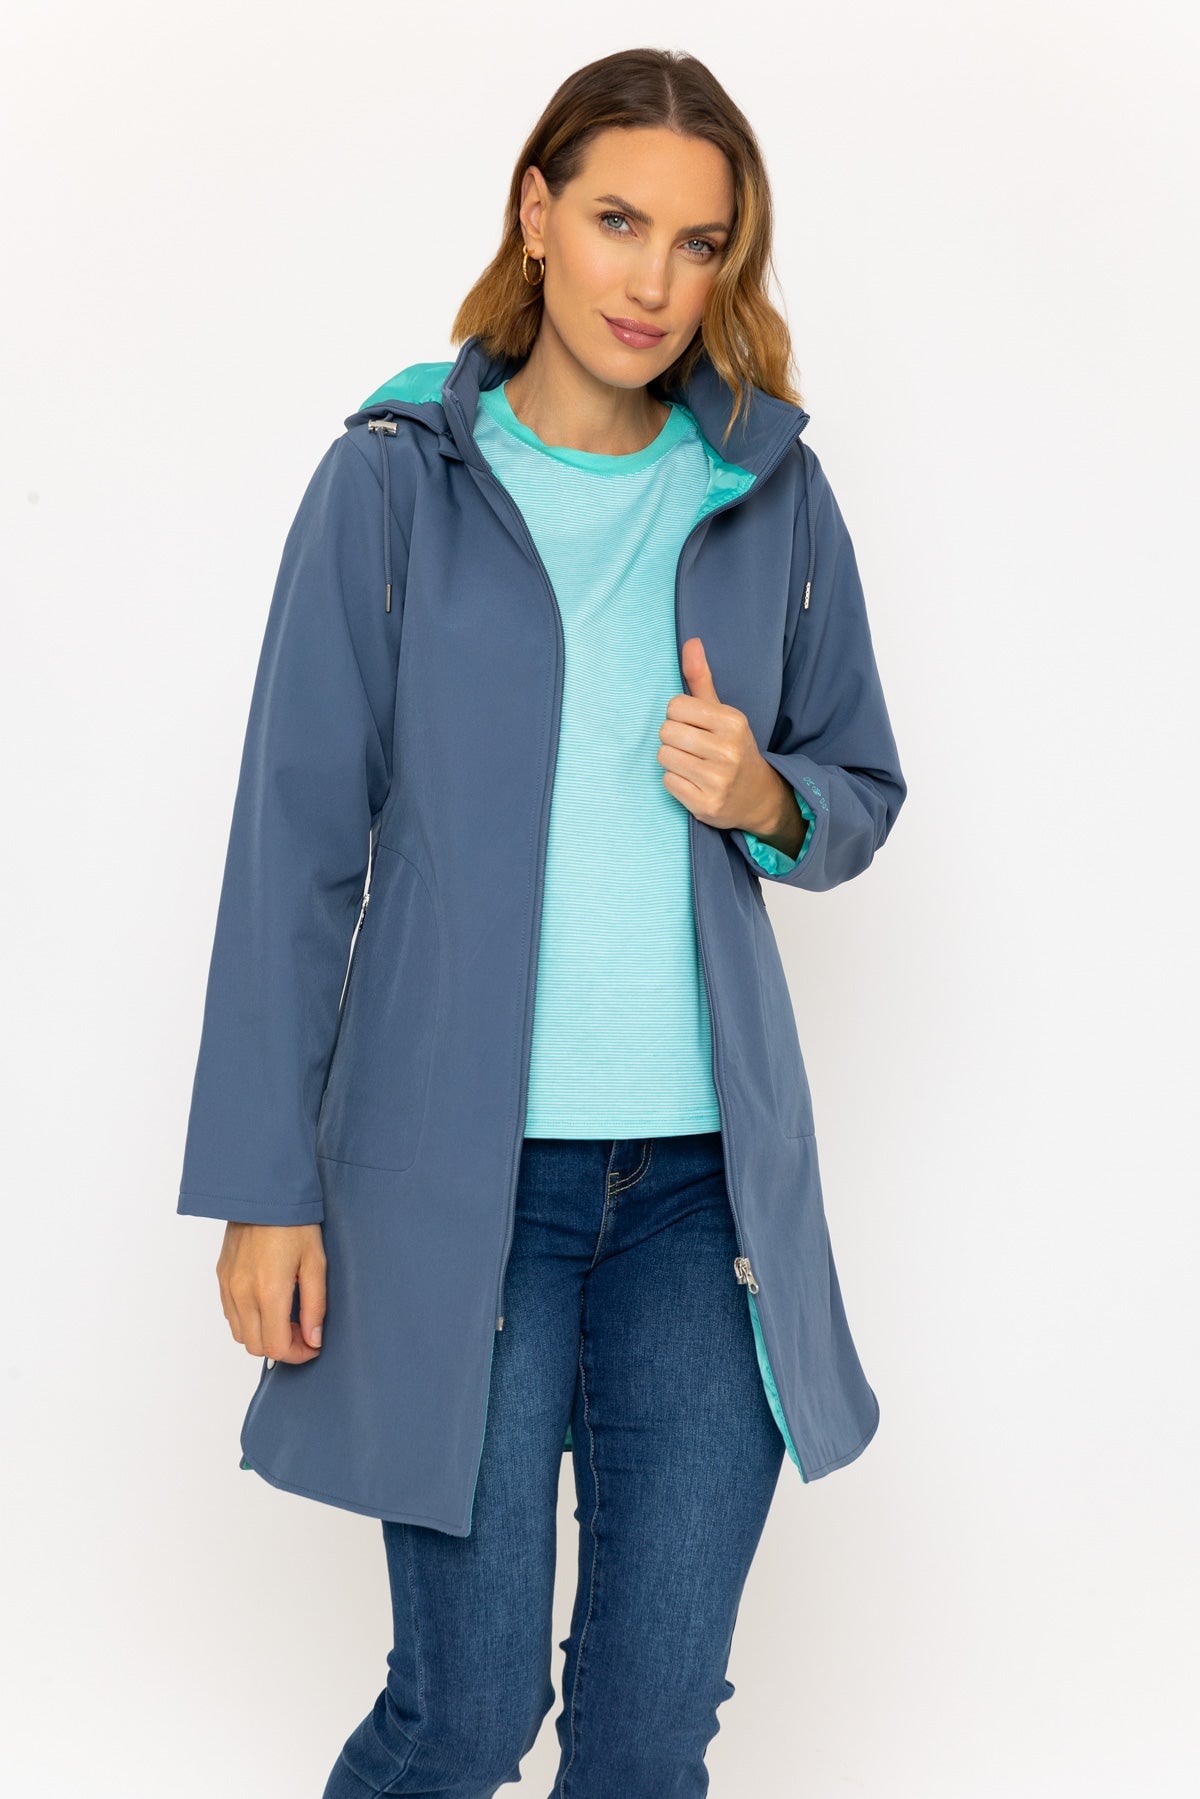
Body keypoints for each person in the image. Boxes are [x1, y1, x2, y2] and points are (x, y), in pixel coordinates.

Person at [177, 45, 907, 1798]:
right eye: (617, 221)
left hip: (703, 1205)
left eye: (701, 242)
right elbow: (292, 848)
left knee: (650, 1738)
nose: (653, 280)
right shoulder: (394, 481)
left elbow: (858, 789)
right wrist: (268, 1188)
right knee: (465, 1714)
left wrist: (768, 797)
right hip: (460, 1193)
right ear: (536, 213)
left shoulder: (766, 493)